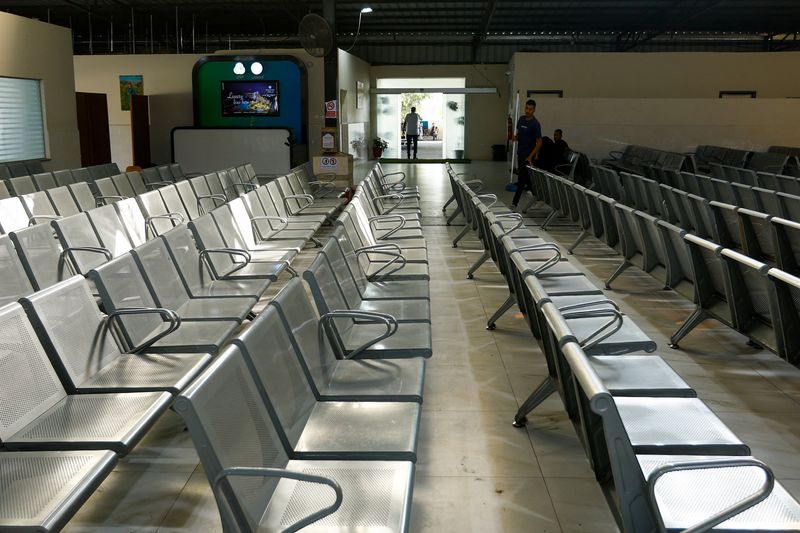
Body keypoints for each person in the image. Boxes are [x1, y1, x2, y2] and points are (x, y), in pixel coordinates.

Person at [511, 99, 542, 209]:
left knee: (521, 180)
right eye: (526, 108)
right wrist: (515, 138)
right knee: (528, 179)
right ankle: (538, 197)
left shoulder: (535, 124)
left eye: (530, 109)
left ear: (534, 110)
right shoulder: (521, 120)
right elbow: (519, 134)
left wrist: (530, 156)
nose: (528, 111)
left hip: (528, 156)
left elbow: (539, 142)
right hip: (520, 153)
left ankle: (514, 203)